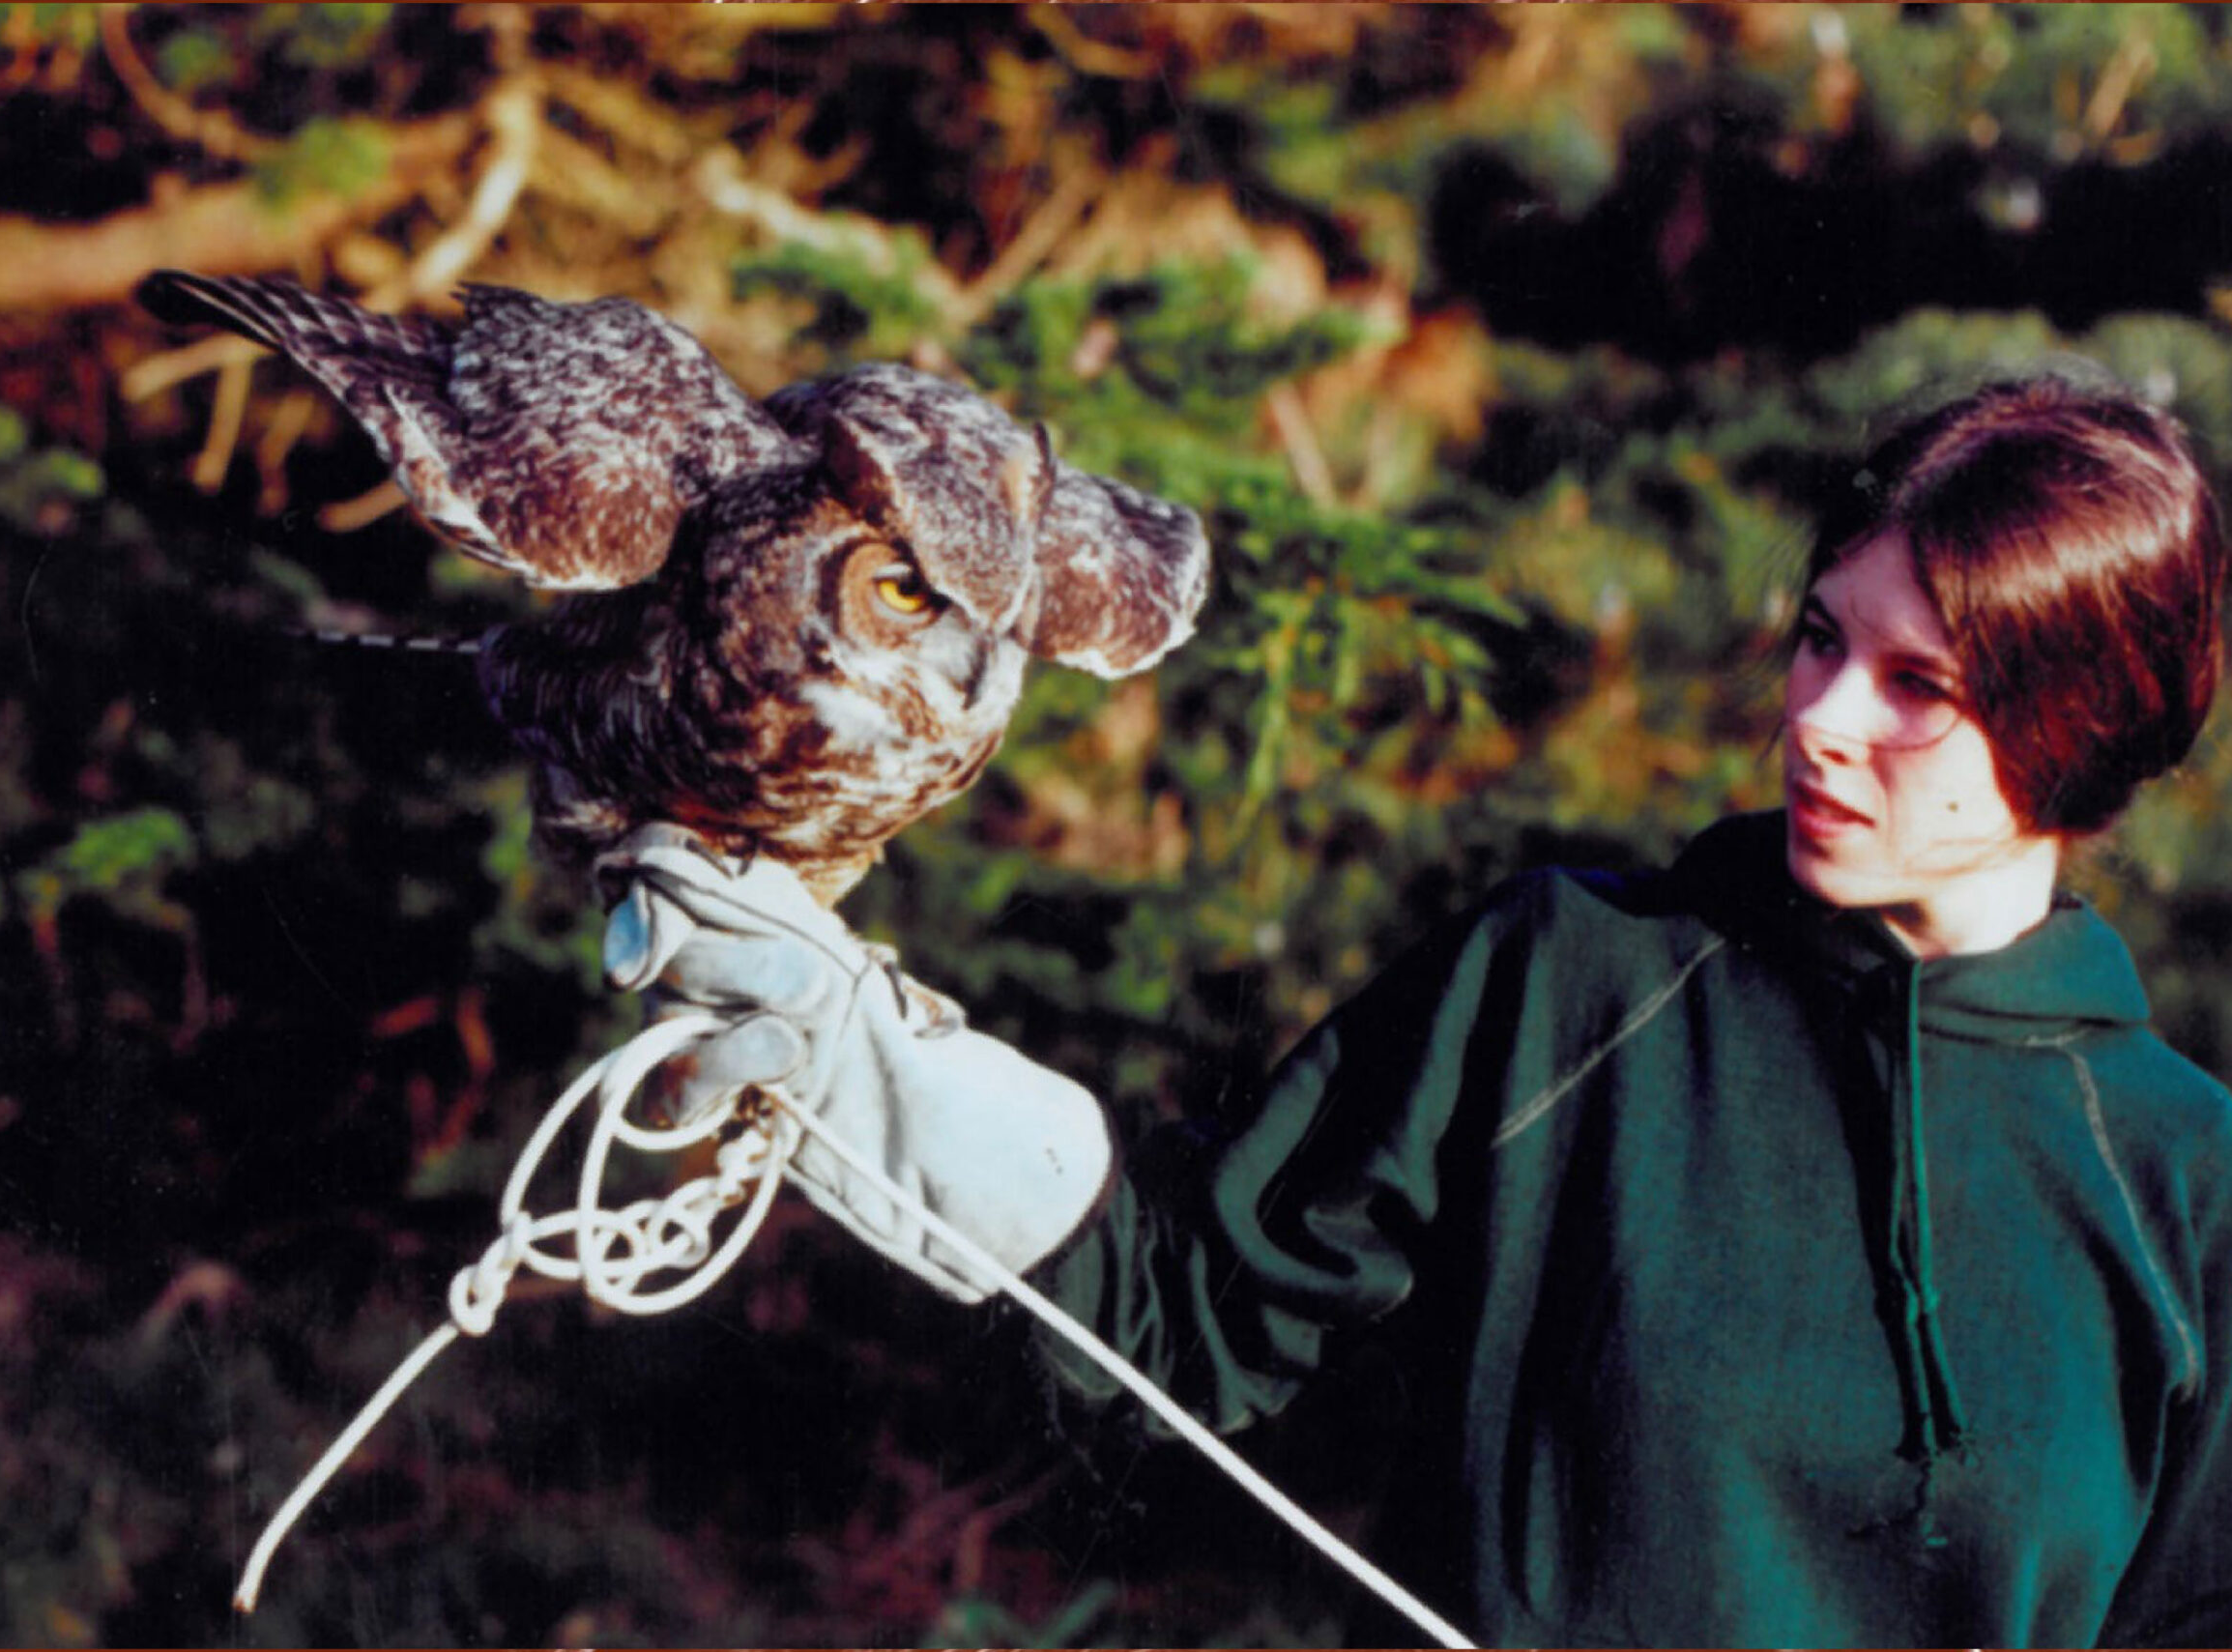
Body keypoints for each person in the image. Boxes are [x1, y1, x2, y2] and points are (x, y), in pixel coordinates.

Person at [595, 375, 2232, 1648]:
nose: (1822, 718)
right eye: (1819, 638)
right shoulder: (1572, 985)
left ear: (2074, 727)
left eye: (1917, 687)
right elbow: (1182, 1305)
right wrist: (864, 1058)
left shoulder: (2189, 1188)